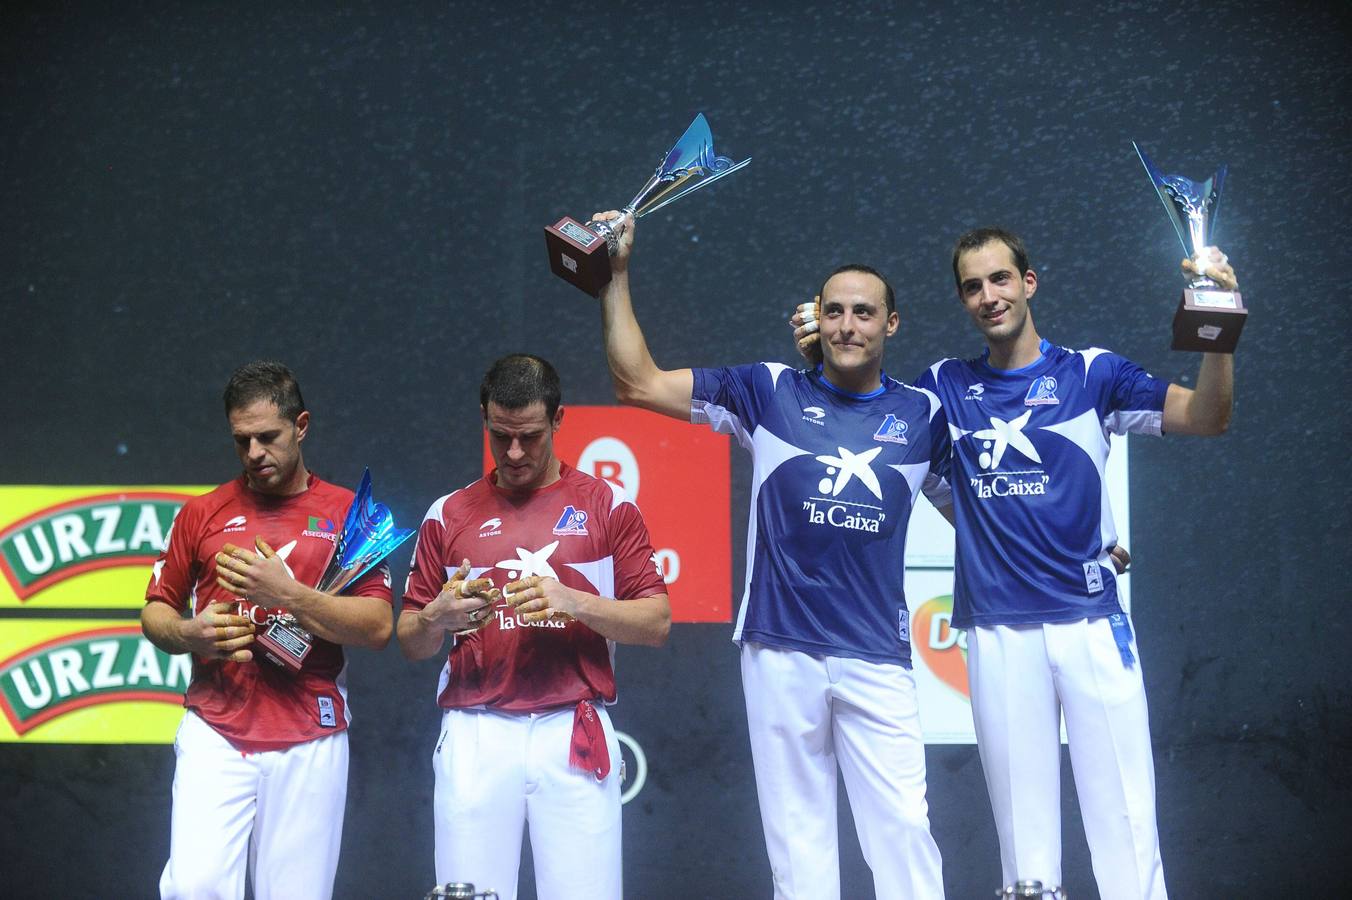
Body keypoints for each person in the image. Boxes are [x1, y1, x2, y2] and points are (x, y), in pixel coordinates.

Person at [795, 227, 1236, 899]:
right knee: (1025, 860)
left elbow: (1207, 416)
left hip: (1091, 627)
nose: (988, 296)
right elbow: (872, 422)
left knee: (1127, 834)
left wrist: (1218, 325)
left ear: (1028, 283)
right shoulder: (944, 387)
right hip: (998, 635)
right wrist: (819, 356)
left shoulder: (1092, 374)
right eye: (972, 286)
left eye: (1000, 279)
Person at [590, 210, 948, 899]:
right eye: (834, 310)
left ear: (891, 325)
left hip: (879, 656)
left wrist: (1083, 546)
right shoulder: (768, 389)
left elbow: (986, 514)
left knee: (904, 831)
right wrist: (616, 275)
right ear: (816, 317)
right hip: (781, 650)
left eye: (864, 313)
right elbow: (637, 381)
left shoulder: (923, 415)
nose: (847, 324)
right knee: (799, 848)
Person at [397, 353, 670, 900]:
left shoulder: (607, 506)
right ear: (485, 420)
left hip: (572, 729)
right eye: (501, 436)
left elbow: (656, 622)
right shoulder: (447, 514)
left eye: (530, 436)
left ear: (559, 420)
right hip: (476, 732)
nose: (515, 452)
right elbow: (410, 639)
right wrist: (435, 617)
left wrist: (575, 601)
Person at [141, 360, 394, 900]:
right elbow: (155, 611)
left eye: (267, 437)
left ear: (301, 426)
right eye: (241, 441)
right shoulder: (202, 512)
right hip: (217, 728)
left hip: (311, 732)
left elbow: (377, 626)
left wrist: (288, 596)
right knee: (194, 887)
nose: (255, 453)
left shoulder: (349, 511)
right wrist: (190, 634)